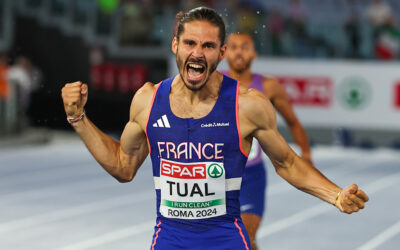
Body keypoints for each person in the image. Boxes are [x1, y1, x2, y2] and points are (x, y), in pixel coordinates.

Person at [61, 7, 369, 250]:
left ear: (221, 53)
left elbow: (286, 163)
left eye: (208, 46)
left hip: (226, 241)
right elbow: (123, 166)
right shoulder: (147, 101)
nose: (197, 53)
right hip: (169, 241)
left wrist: (336, 195)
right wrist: (79, 119)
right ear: (175, 46)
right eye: (190, 43)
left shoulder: (247, 105)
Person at [223, 32, 312, 250]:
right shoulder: (213, 83)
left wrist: (306, 154)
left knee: (244, 237)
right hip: (217, 174)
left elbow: (292, 121)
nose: (239, 52)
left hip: (251, 175)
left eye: (245, 47)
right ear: (224, 52)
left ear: (254, 53)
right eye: (233, 47)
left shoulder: (269, 86)